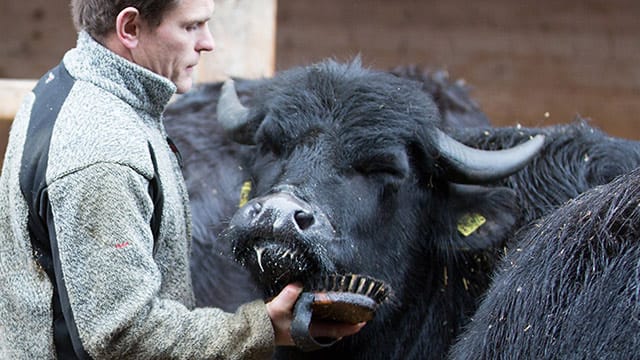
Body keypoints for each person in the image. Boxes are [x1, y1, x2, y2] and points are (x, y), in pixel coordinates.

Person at [0, 0, 364, 358]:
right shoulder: (103, 155)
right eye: (191, 26)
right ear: (130, 28)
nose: (208, 42)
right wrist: (263, 327)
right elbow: (123, 335)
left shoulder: (67, 85)